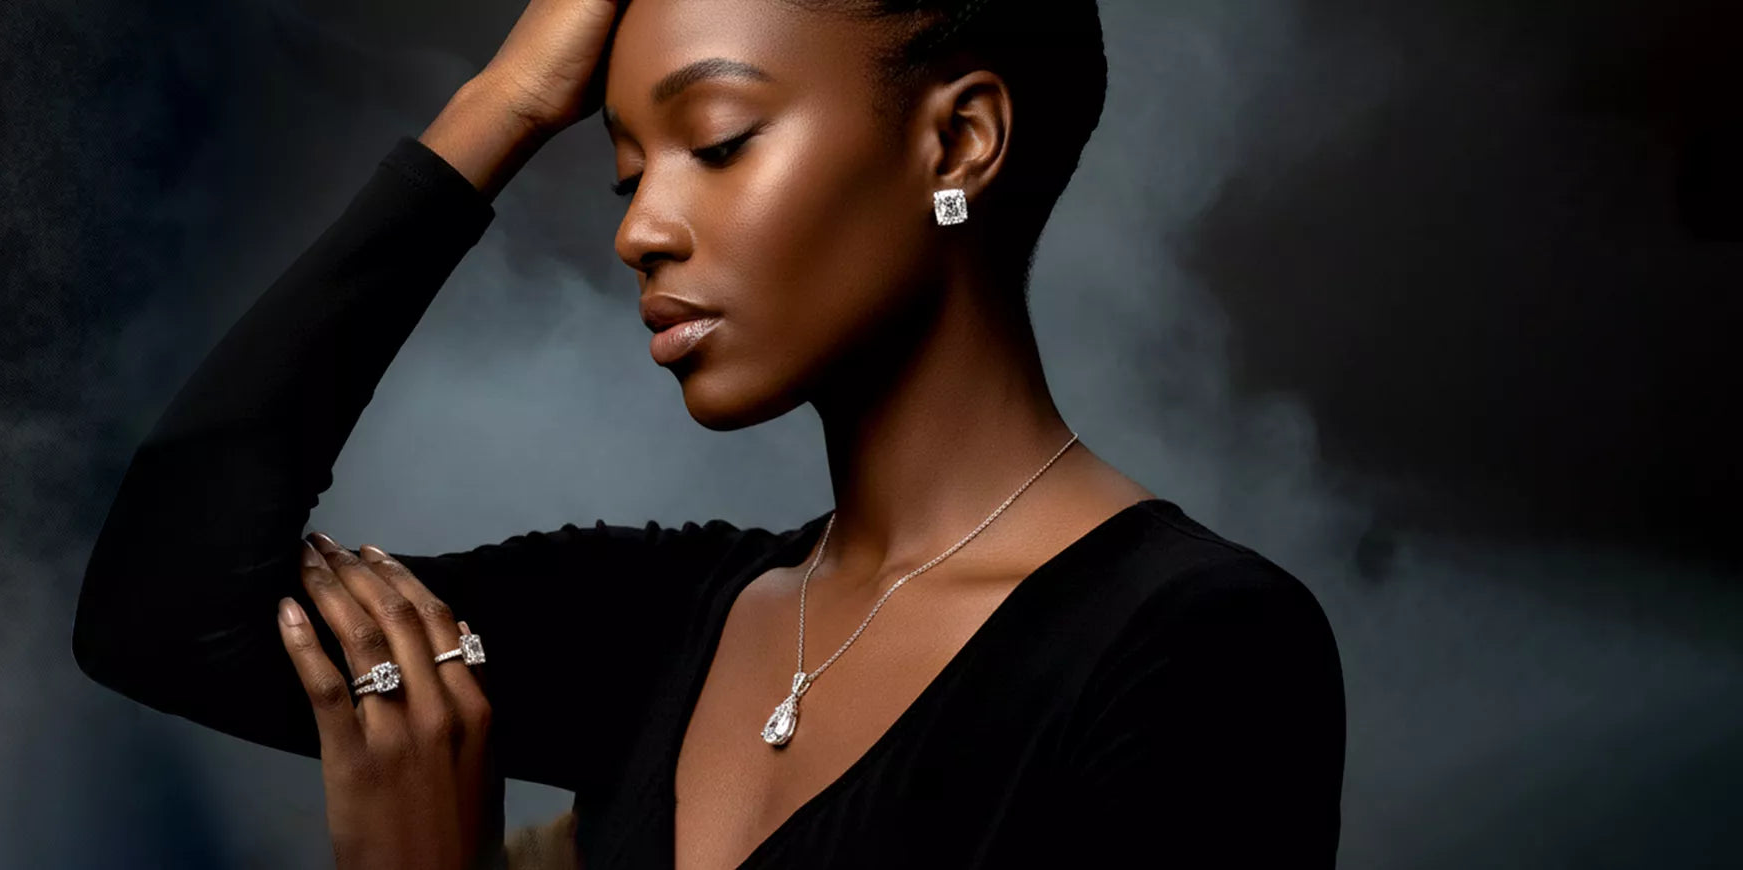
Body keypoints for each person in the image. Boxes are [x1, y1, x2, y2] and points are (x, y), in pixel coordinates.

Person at [71, 0, 1347, 867]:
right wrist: (502, 104)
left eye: (719, 143)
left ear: (959, 138)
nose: (638, 229)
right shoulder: (658, 618)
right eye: (628, 173)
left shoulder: (1200, 649)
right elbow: (165, 614)